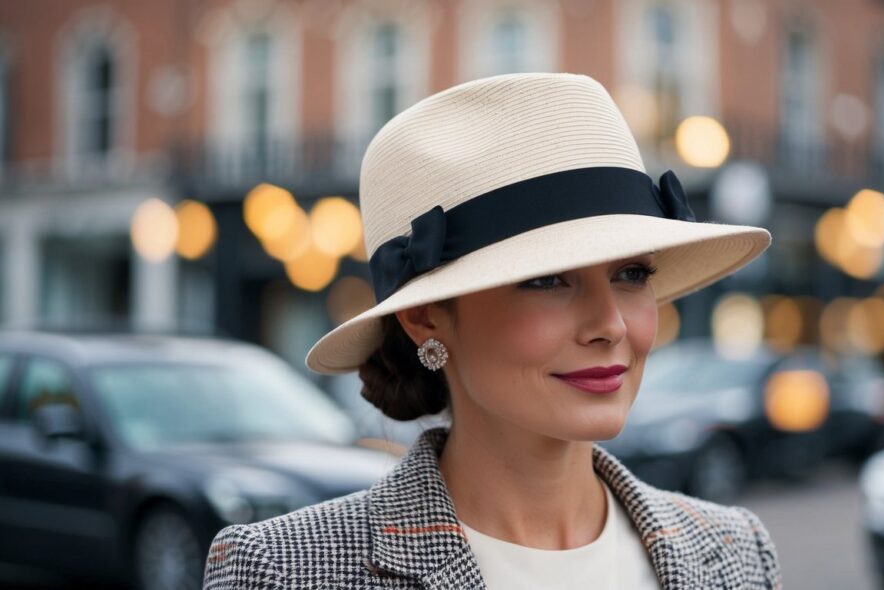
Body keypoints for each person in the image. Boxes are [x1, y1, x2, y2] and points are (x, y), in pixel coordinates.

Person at [203, 72, 781, 590]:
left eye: (631, 274)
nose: (610, 324)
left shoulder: (735, 552)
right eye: (548, 280)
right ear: (425, 317)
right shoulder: (282, 570)